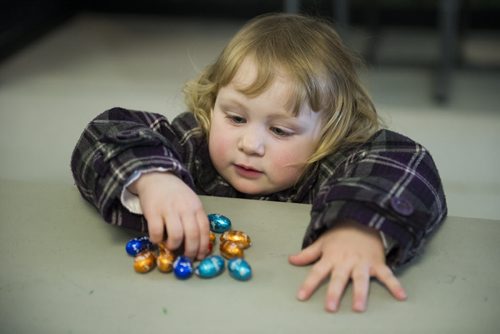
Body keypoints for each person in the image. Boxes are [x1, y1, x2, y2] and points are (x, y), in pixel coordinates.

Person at [70, 13, 447, 313]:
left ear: (332, 132)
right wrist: (152, 178)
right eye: (235, 118)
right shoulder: (197, 140)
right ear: (213, 101)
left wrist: (360, 226)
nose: (249, 144)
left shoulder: (330, 158)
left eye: (281, 130)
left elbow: (406, 161)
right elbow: (105, 132)